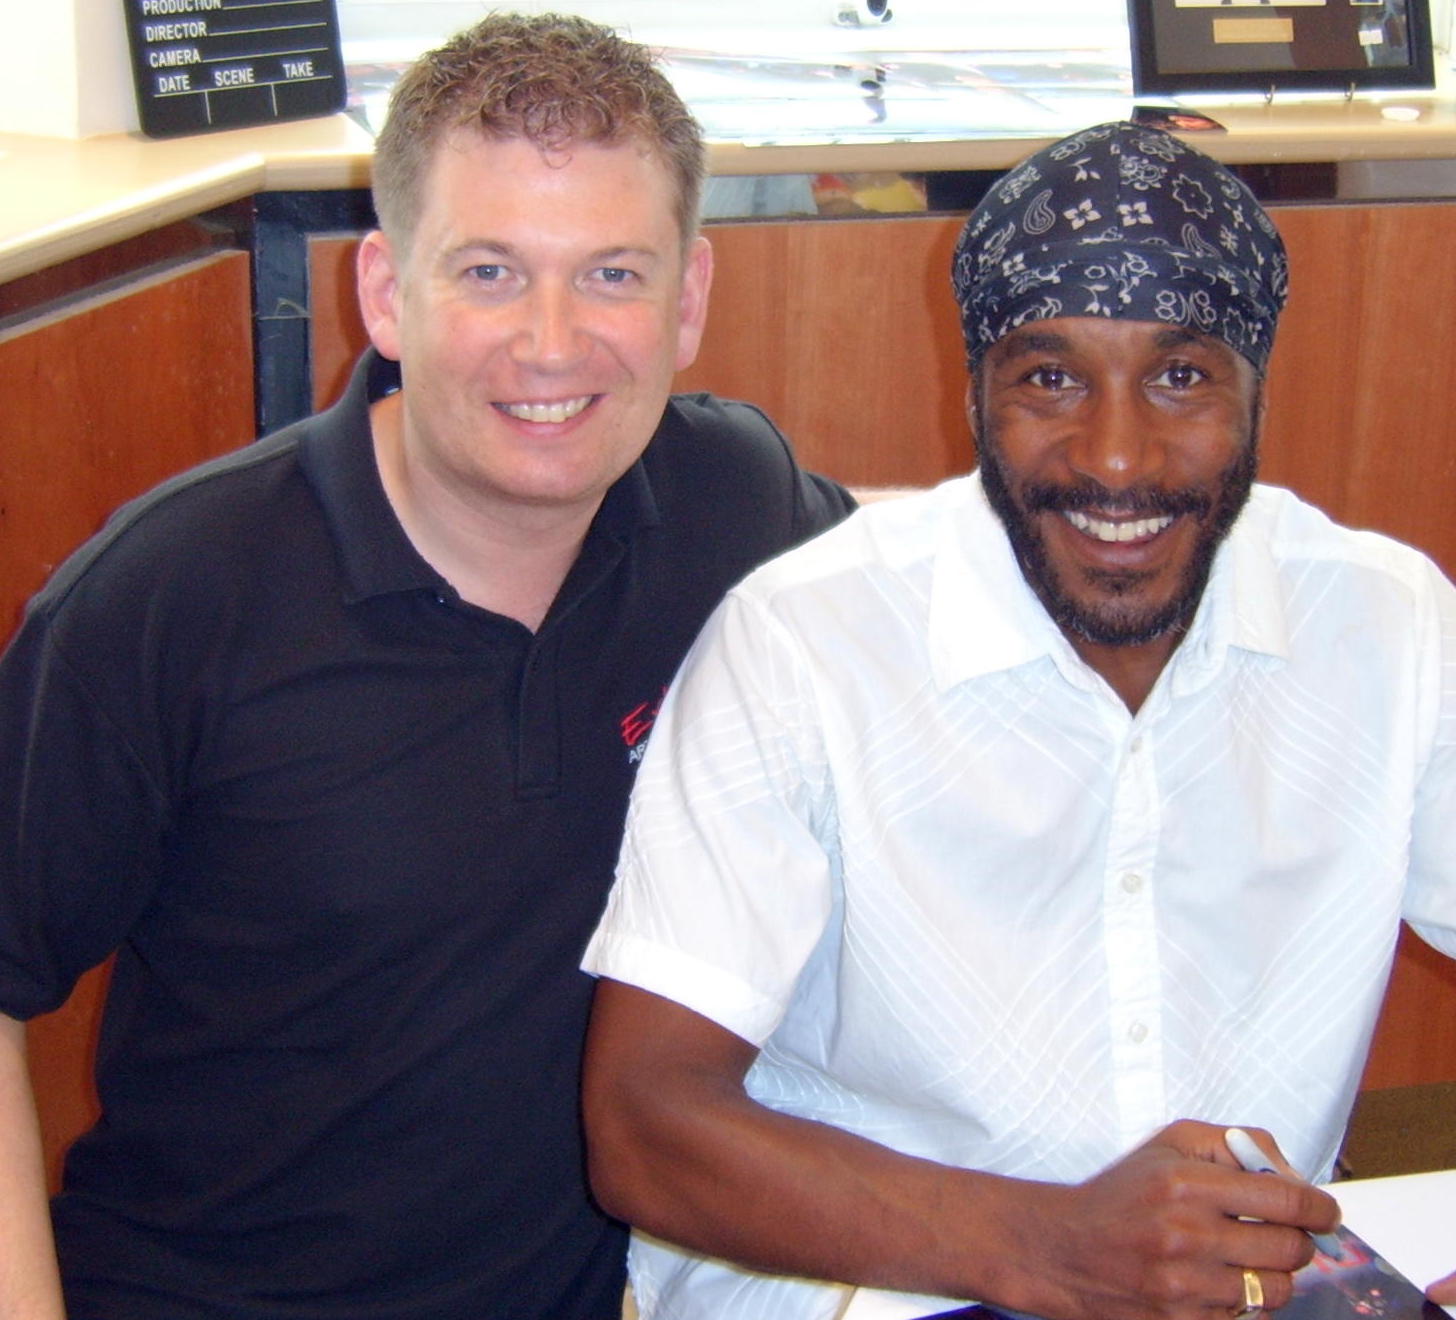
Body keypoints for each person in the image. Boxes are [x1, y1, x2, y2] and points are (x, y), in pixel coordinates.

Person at [0, 14, 853, 1319]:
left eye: (612, 274)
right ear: (386, 293)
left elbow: (928, 596)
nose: (553, 343)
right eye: (490, 272)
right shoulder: (173, 598)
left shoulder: (733, 504)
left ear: (687, 301)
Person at [580, 120, 1456, 1320]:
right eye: (1049, 377)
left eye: (1181, 377)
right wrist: (1053, 1250)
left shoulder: (1385, 625)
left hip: (1239, 1288)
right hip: (862, 1291)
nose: (1115, 457)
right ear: (973, 395)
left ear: (1255, 391)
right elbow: (646, 1124)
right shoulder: (801, 645)